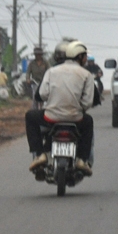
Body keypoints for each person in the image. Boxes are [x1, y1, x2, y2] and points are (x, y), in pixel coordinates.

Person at [25, 41, 95, 176]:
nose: (86, 59)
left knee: (30, 116)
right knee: (89, 122)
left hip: (51, 118)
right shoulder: (86, 75)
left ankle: (39, 154)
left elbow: (43, 94)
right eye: (85, 56)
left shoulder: (51, 71)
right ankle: (82, 159)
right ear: (79, 57)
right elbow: (87, 102)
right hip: (76, 118)